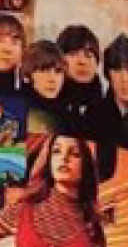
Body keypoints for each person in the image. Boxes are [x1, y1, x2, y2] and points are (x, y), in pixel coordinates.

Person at [46, 21, 122, 180]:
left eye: (89, 55)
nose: (82, 61)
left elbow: (106, 171)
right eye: (73, 54)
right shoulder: (45, 104)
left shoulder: (107, 111)